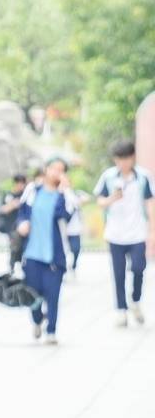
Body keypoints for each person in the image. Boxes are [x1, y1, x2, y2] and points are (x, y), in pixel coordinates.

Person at [94, 139, 155, 326]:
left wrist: (152, 231)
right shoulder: (108, 176)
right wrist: (112, 199)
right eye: (119, 159)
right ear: (115, 159)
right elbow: (99, 201)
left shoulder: (143, 176)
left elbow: (150, 203)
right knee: (119, 273)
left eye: (126, 158)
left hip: (137, 233)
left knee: (139, 268)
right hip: (115, 234)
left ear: (133, 157)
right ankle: (121, 310)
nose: (123, 163)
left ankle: (135, 300)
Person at [17, 157, 72, 344]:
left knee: (53, 295)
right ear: (46, 169)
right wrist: (22, 224)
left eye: (61, 170)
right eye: (53, 168)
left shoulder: (65, 195)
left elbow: (65, 215)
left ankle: (51, 331)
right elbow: (22, 213)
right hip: (32, 254)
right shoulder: (33, 190)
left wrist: (63, 192)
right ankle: (37, 320)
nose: (56, 172)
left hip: (54, 256)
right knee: (33, 294)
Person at [0, 173, 26, 273]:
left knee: (22, 248)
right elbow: (2, 209)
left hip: (23, 226)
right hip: (11, 227)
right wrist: (13, 204)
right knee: (14, 248)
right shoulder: (9, 195)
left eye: (23, 183)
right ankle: (12, 268)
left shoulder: (25, 195)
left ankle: (20, 267)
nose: (21, 186)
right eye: (19, 183)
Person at [60, 175, 90, 276]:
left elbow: (86, 198)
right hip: (62, 228)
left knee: (76, 248)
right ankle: (63, 268)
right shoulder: (58, 194)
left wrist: (80, 201)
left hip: (74, 227)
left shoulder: (75, 193)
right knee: (63, 251)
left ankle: (73, 266)